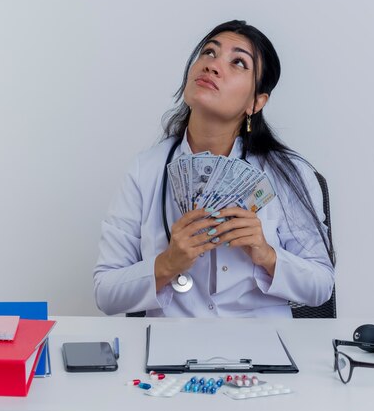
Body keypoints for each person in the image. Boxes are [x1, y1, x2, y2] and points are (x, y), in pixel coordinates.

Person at [94, 20, 334, 317]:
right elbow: (105, 292)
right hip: (171, 353)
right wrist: (167, 263)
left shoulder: (290, 174)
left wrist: (266, 254)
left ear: (256, 102)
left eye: (238, 62)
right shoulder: (146, 170)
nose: (212, 65)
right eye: (209, 52)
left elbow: (322, 286)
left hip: (262, 351)